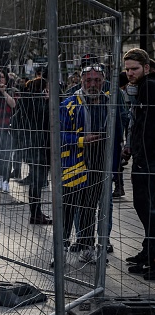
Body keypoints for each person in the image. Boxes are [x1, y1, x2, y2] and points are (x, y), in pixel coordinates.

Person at [59, 63, 123, 263]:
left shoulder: (110, 104)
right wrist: (81, 140)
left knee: (89, 209)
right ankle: (60, 252)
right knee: (67, 209)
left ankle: (87, 248)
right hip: (73, 165)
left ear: (103, 81)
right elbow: (58, 135)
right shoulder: (69, 104)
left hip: (98, 164)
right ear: (81, 81)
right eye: (88, 80)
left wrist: (113, 169)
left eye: (97, 80)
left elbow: (117, 137)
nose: (93, 84)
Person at [122, 48, 155, 279]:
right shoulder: (141, 87)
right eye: (127, 69)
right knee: (143, 207)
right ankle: (149, 251)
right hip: (142, 157)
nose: (130, 73)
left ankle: (153, 256)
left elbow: (148, 127)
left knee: (149, 208)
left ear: (146, 67)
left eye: (134, 69)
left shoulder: (149, 86)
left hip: (150, 159)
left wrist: (142, 154)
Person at [11, 76, 52, 224]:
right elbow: (47, 118)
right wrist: (48, 102)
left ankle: (36, 212)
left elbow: (15, 121)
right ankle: (35, 214)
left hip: (29, 146)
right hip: (39, 147)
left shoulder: (25, 100)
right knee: (38, 182)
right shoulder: (39, 102)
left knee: (36, 181)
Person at [0, 69, 17, 193]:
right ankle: (1, 175)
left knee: (7, 157)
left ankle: (6, 181)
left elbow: (13, 104)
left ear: (6, 79)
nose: (0, 79)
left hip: (6, 130)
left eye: (2, 77)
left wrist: (4, 92)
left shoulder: (10, 91)